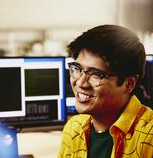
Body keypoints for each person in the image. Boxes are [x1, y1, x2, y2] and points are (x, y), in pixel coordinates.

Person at [58, 25, 153, 158]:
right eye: (77, 68)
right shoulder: (74, 128)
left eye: (96, 74)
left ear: (129, 84)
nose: (80, 82)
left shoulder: (149, 137)